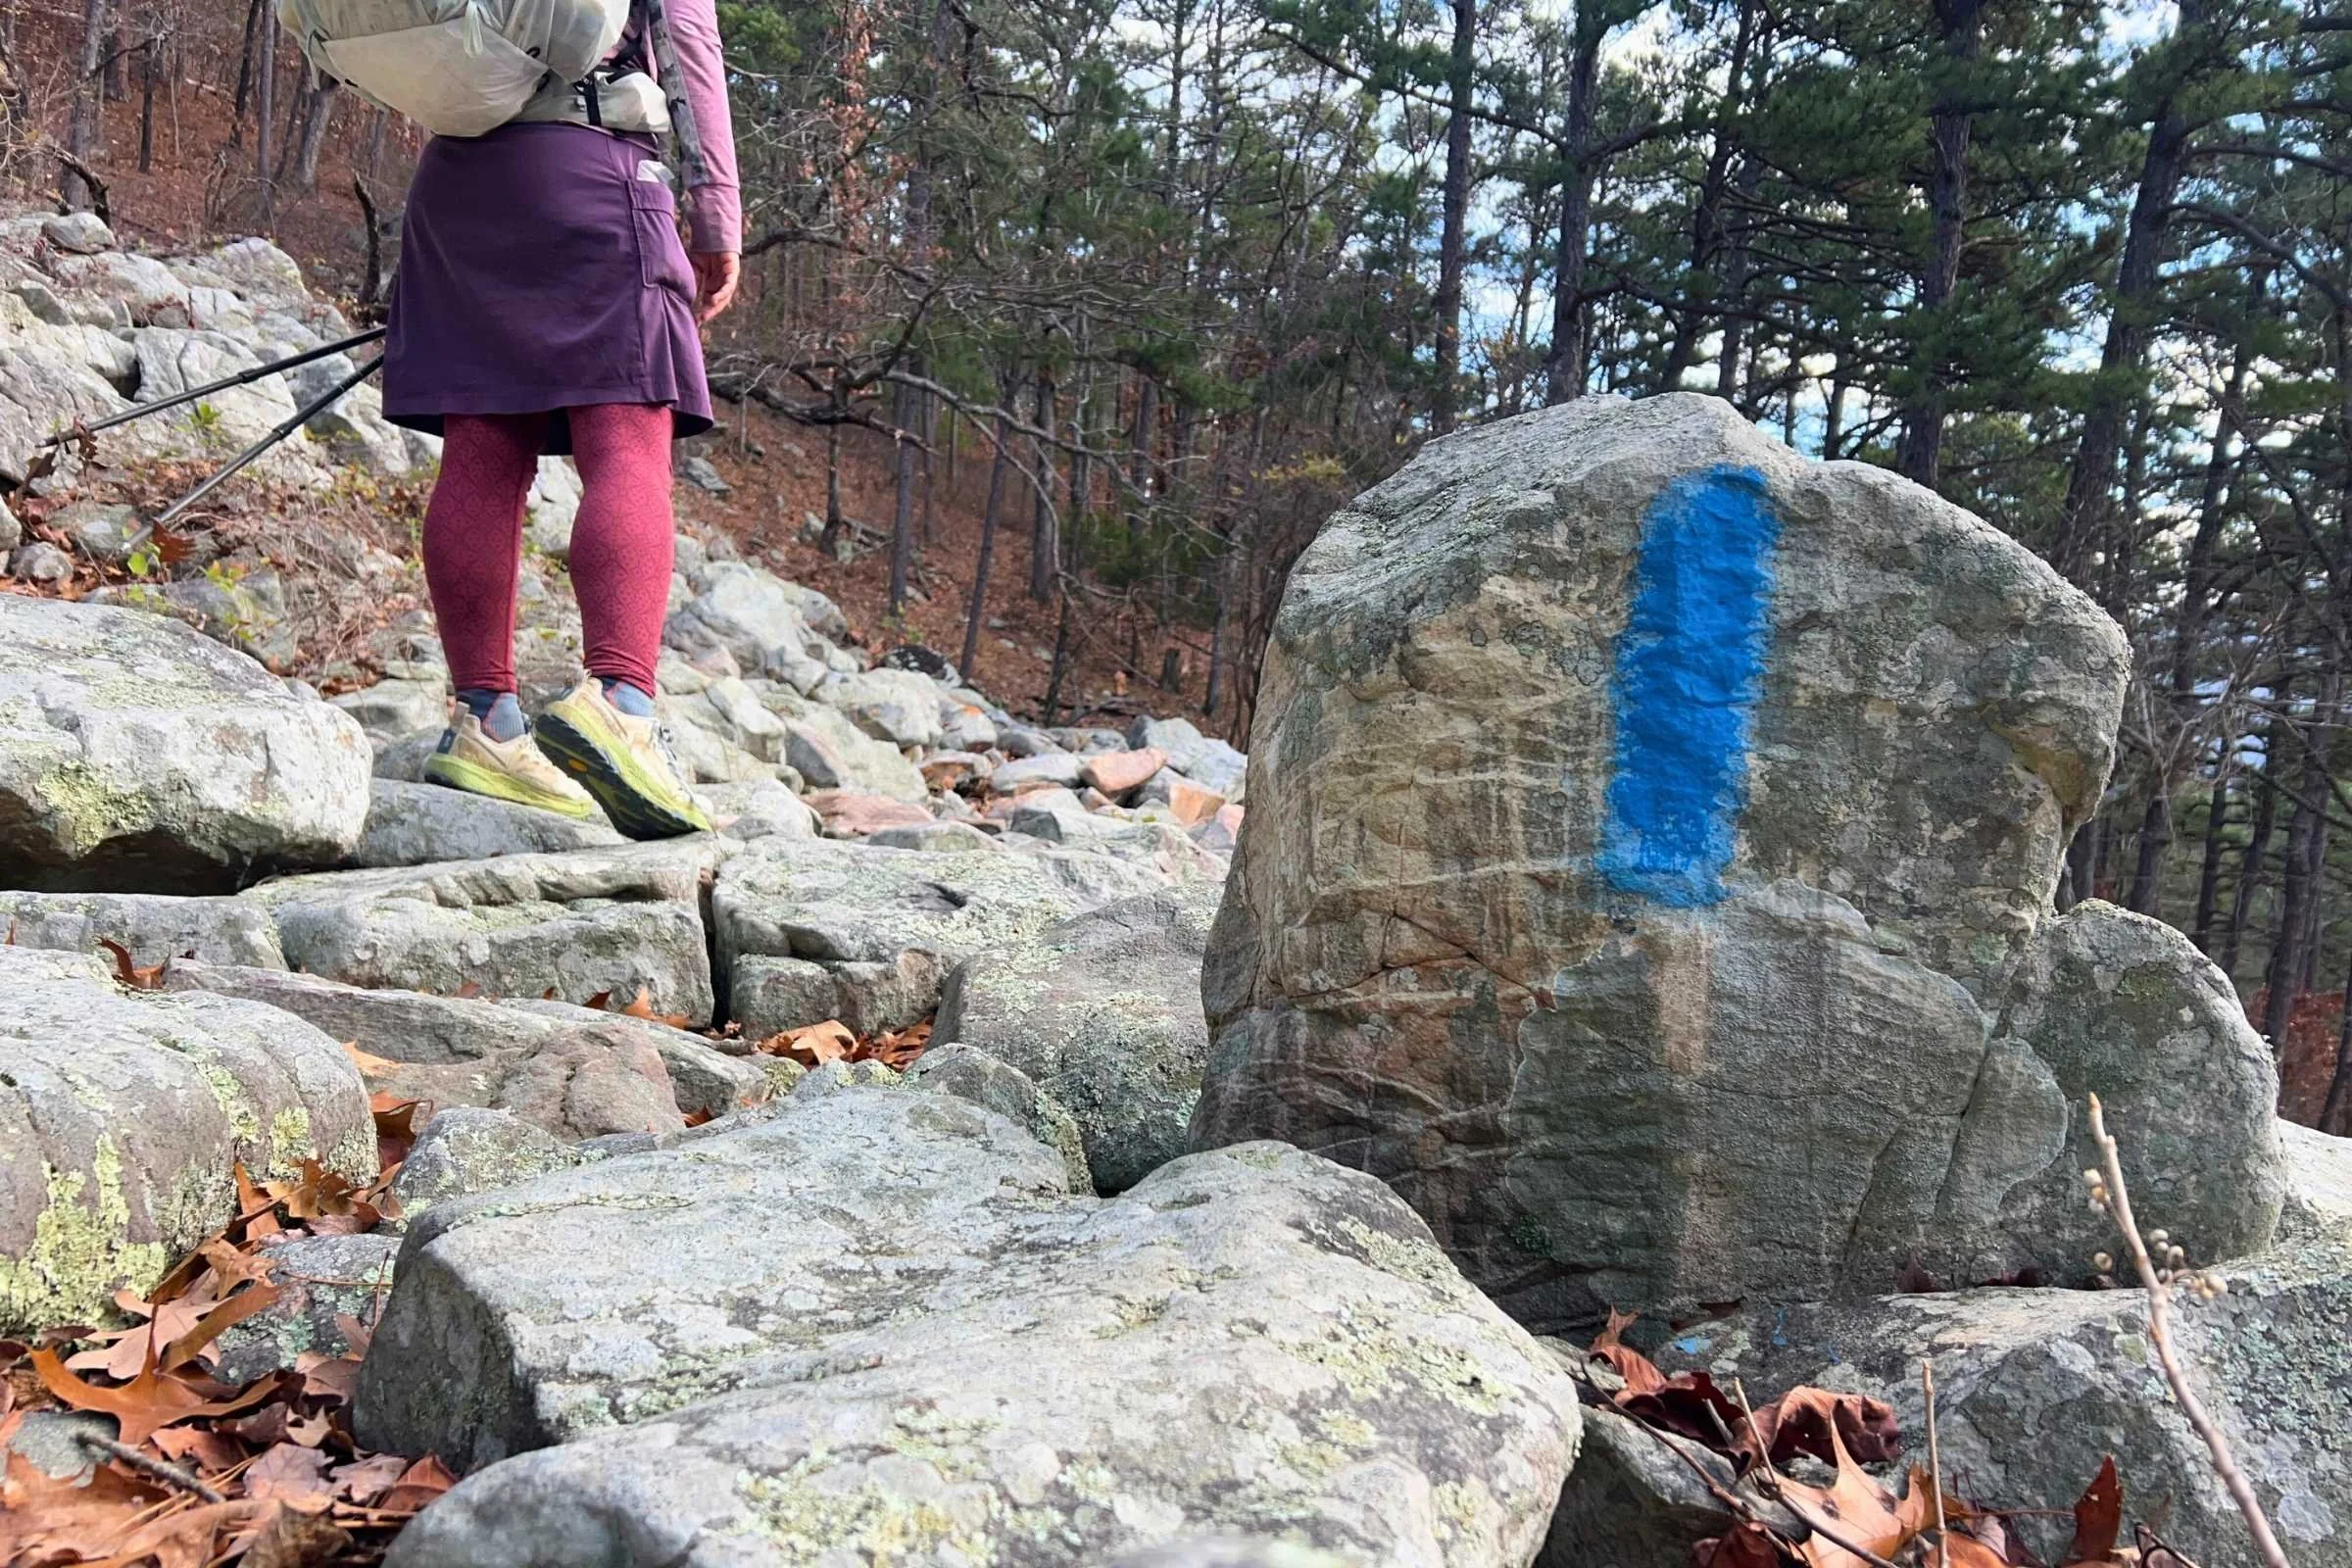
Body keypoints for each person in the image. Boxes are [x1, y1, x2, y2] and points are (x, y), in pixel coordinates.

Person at [379, 0, 741, 840]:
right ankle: (619, 700)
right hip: (594, 167)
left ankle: (485, 723)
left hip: (457, 187)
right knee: (627, 440)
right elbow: (688, 39)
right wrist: (716, 213)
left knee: (482, 445)